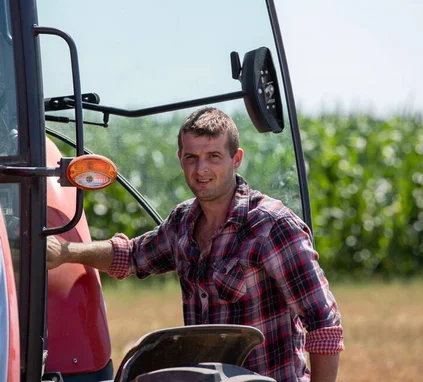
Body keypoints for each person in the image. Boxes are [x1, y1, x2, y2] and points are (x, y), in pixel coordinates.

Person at [47, 107, 344, 382]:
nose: (201, 169)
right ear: (180, 158)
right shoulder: (183, 222)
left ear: (236, 159)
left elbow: (324, 323)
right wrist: (66, 252)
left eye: (214, 156)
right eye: (191, 157)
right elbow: (133, 255)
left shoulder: (271, 226)